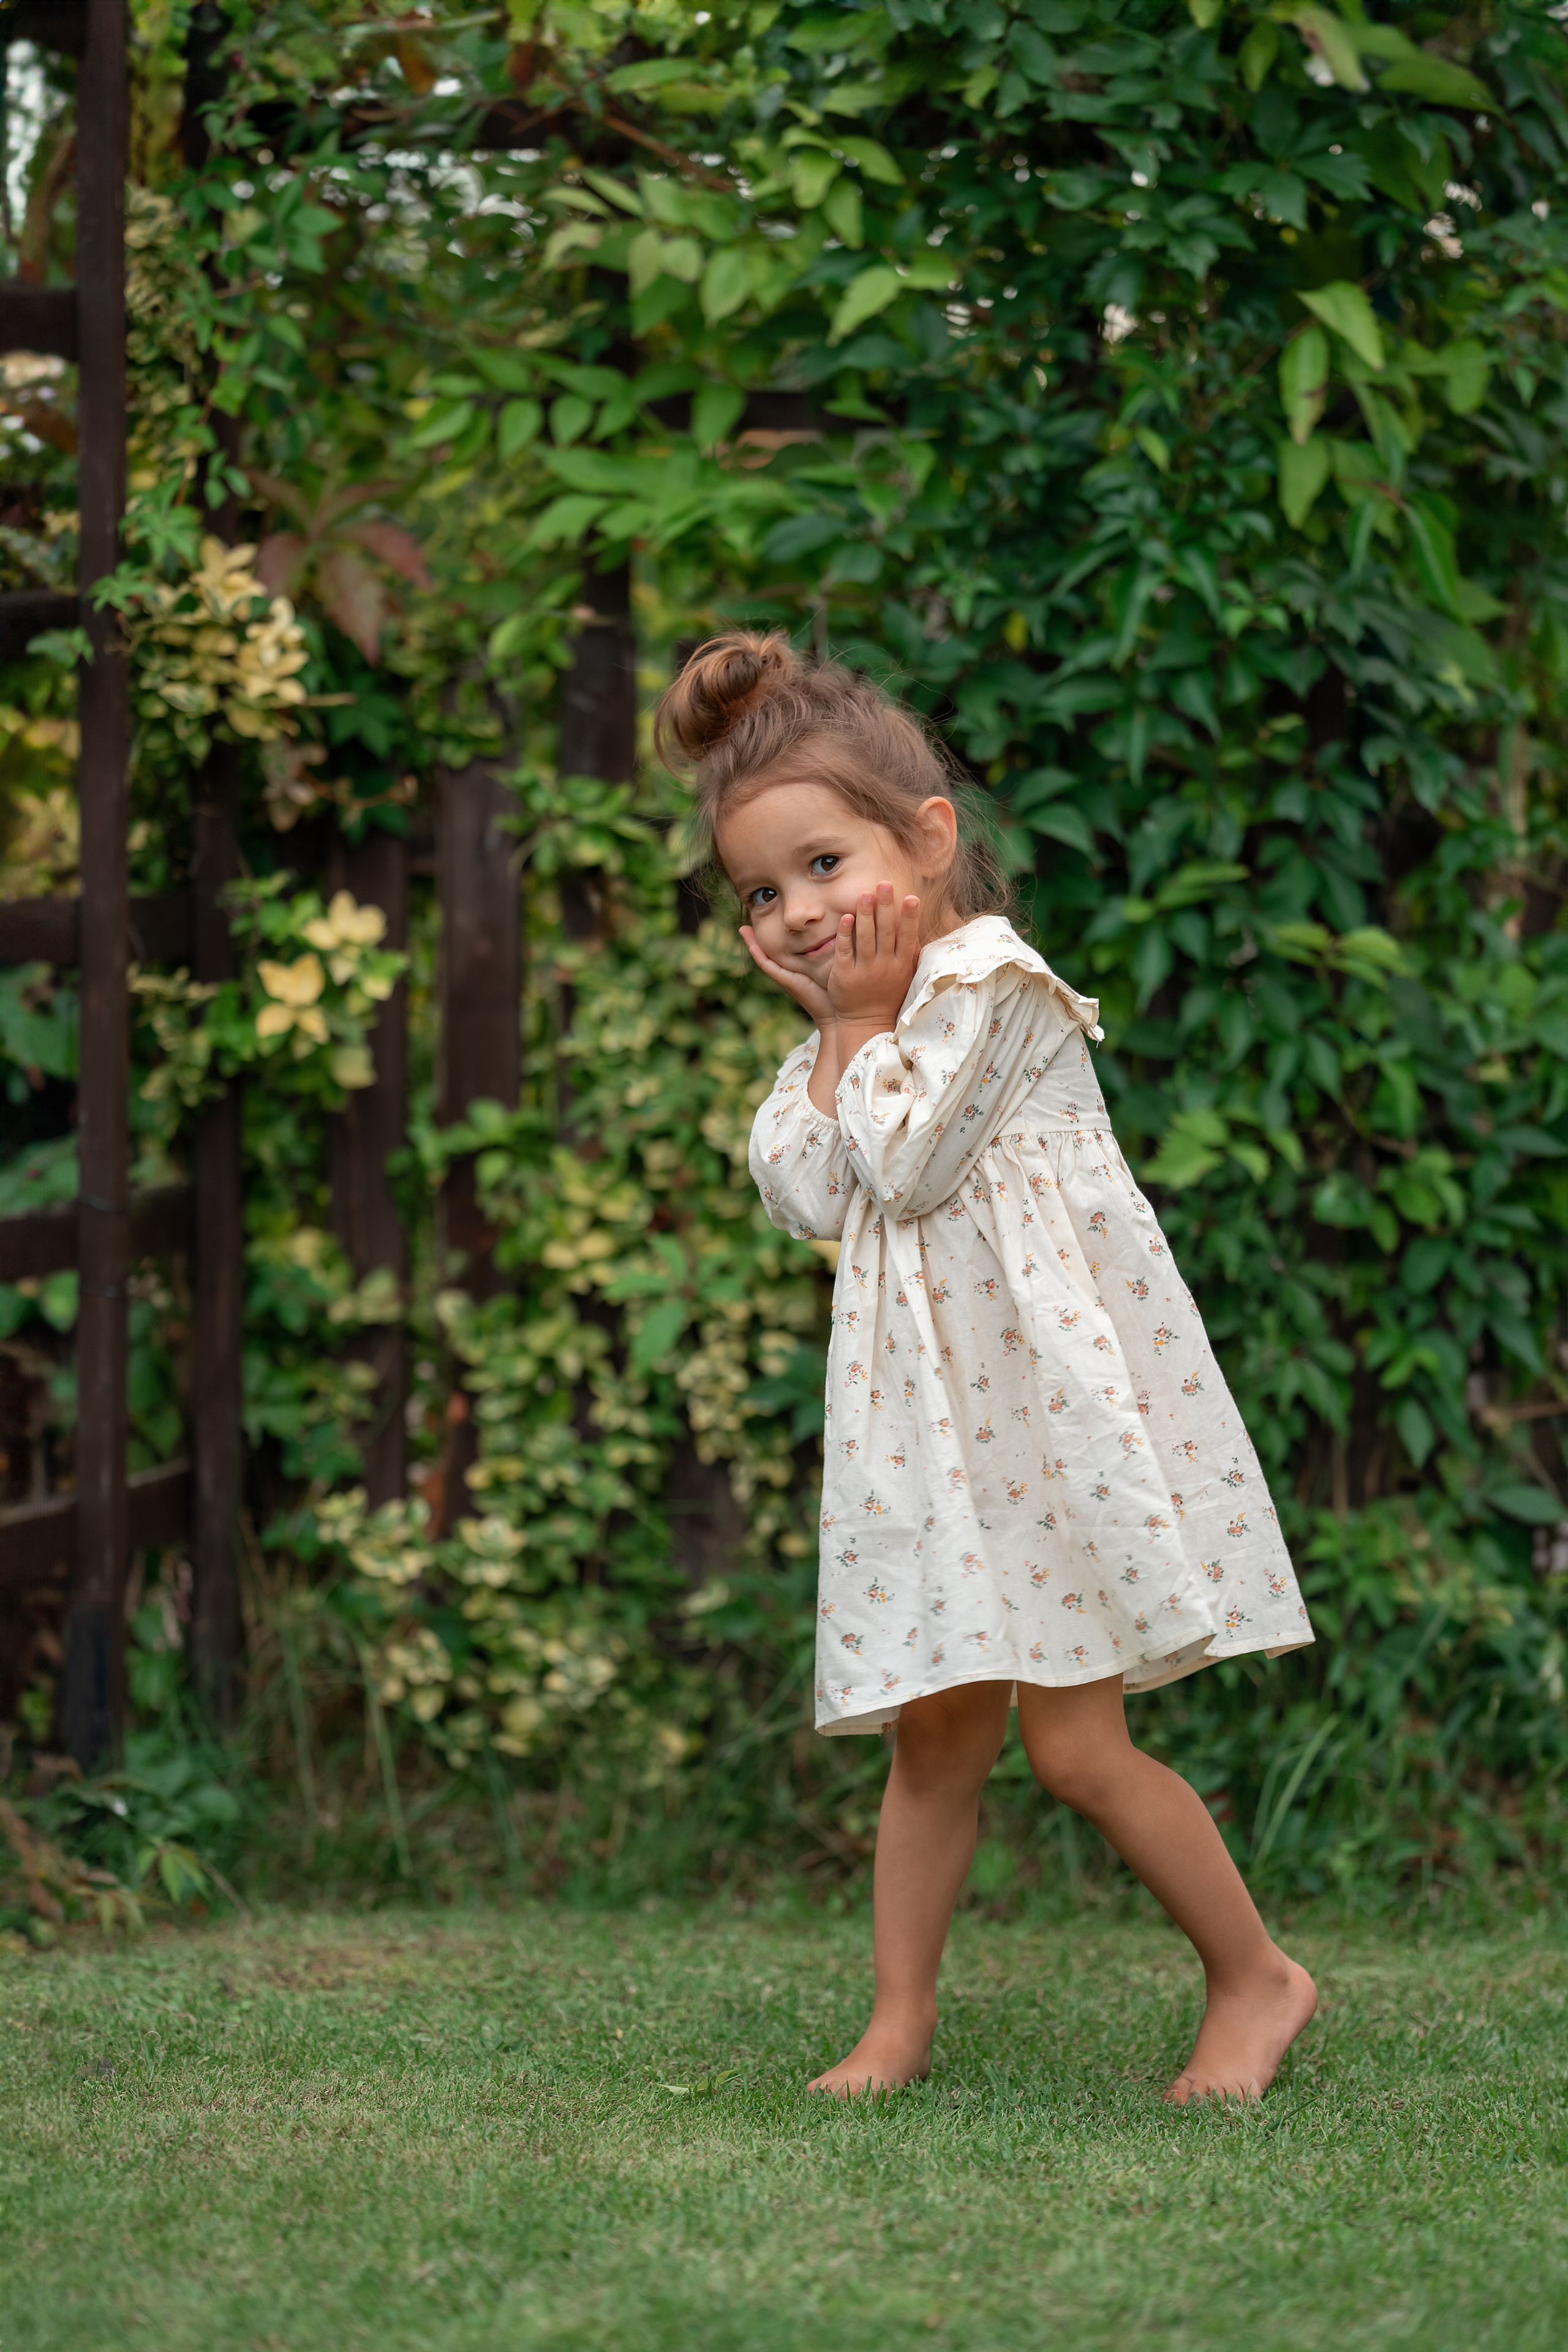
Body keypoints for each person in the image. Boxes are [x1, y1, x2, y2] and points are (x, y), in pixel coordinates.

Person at [655, 630, 1320, 2105]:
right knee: (935, 1734)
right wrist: (840, 1033)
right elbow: (806, 1190)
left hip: (1046, 1427)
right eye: (760, 893)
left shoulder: (995, 986)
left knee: (1076, 1749)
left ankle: (1256, 1977)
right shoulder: (856, 1027)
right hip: (932, 1433)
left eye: (823, 866)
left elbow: (901, 1161)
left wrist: (848, 1027)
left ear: (928, 838)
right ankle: (896, 2023)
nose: (796, 912)